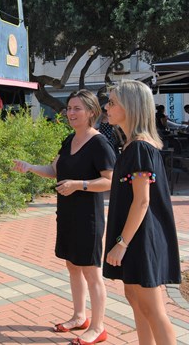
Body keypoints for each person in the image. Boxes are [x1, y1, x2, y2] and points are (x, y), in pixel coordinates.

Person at [13, 89, 115, 345]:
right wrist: (29, 167)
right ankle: (80, 316)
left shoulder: (99, 143)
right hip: (67, 214)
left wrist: (78, 184)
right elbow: (55, 170)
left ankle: (98, 327)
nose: (70, 113)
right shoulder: (69, 140)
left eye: (77, 108)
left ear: (92, 112)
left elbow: (109, 181)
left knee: (92, 272)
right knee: (72, 266)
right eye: (69, 108)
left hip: (88, 218)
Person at [103, 80, 181, 345]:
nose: (107, 107)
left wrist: (121, 243)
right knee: (137, 302)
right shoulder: (134, 146)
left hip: (140, 238)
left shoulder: (138, 147)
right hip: (137, 236)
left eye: (112, 102)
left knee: (152, 309)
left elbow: (142, 202)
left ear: (130, 106)